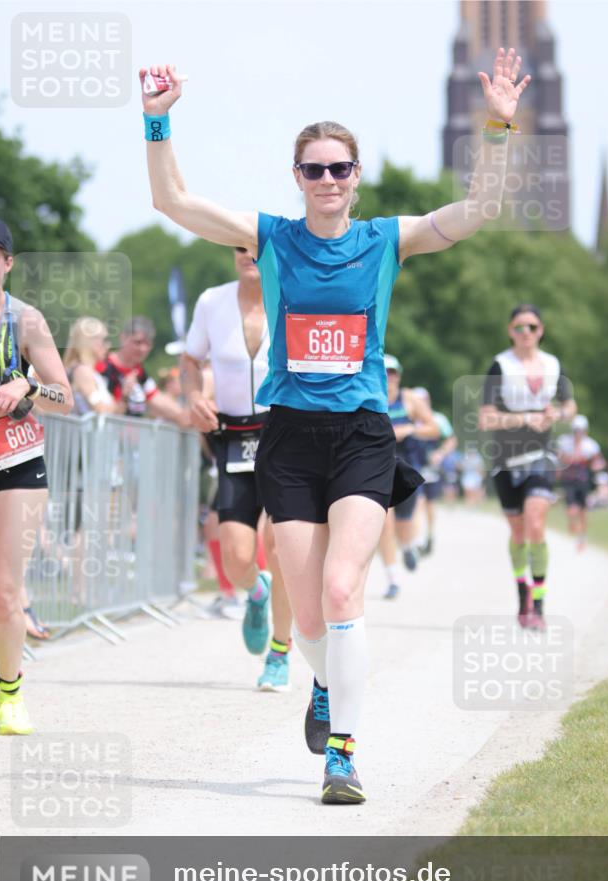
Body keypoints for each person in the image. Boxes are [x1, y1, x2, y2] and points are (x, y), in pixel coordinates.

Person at [142, 46, 531, 803]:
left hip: (359, 432)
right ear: (298, 178)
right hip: (287, 437)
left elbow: (479, 211)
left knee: (346, 589)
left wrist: (497, 126)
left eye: (340, 169)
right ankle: (325, 683)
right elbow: (174, 203)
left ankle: (342, 755)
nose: (328, 181)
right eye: (314, 169)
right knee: (311, 611)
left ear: (357, 176)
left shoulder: (386, 239)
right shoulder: (273, 239)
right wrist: (156, 124)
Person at [182, 248, 293, 690]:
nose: (250, 255)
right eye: (240, 248)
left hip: (284, 433)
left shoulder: (292, 295)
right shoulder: (212, 301)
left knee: (282, 546)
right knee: (237, 558)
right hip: (232, 437)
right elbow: (190, 361)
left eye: (259, 247)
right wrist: (193, 397)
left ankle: (280, 654)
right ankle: (256, 592)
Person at [0, 216, 73, 734]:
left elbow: (65, 397)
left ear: (8, 264)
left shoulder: (28, 321)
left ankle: (10, 694)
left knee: (5, 590)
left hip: (16, 461)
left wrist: (28, 389)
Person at [478, 304, 576, 629]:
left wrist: (556, 415)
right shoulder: (500, 366)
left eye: (532, 327)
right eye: (519, 327)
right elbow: (485, 417)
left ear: (541, 330)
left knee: (535, 525)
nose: (526, 333)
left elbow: (570, 406)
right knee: (518, 534)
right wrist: (525, 418)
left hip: (541, 457)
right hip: (505, 460)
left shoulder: (552, 364)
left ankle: (539, 605)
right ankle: (522, 597)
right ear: (510, 331)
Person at [377, 357, 439, 598]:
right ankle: (392, 578)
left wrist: (410, 429)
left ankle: (407, 547)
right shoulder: (370, 395)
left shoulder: (410, 399)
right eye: (384, 372)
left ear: (399, 376)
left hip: (406, 468)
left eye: (392, 373)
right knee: (384, 522)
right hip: (379, 467)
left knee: (404, 525)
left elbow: (435, 428)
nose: (388, 377)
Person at [96, 316, 190, 426]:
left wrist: (186, 416)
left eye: (147, 344)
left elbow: (157, 400)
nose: (143, 349)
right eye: (137, 342)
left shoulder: (139, 373)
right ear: (123, 338)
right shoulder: (103, 367)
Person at [411, 388, 457, 556]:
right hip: (415, 467)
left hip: (432, 468)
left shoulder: (438, 419)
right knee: (418, 501)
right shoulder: (410, 420)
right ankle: (416, 541)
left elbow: (451, 439)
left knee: (430, 504)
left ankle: (430, 535)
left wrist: (440, 454)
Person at [556, 415, 604, 550]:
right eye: (576, 430)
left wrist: (596, 465)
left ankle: (582, 537)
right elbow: (560, 458)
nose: (578, 433)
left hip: (583, 480)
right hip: (569, 480)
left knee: (583, 510)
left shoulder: (591, 445)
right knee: (571, 510)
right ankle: (573, 524)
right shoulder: (565, 442)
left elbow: (599, 461)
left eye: (581, 430)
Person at [63, 316, 122, 415]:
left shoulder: (89, 372)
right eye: (104, 340)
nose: (108, 345)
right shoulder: (82, 372)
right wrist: (115, 407)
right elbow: (100, 409)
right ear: (89, 341)